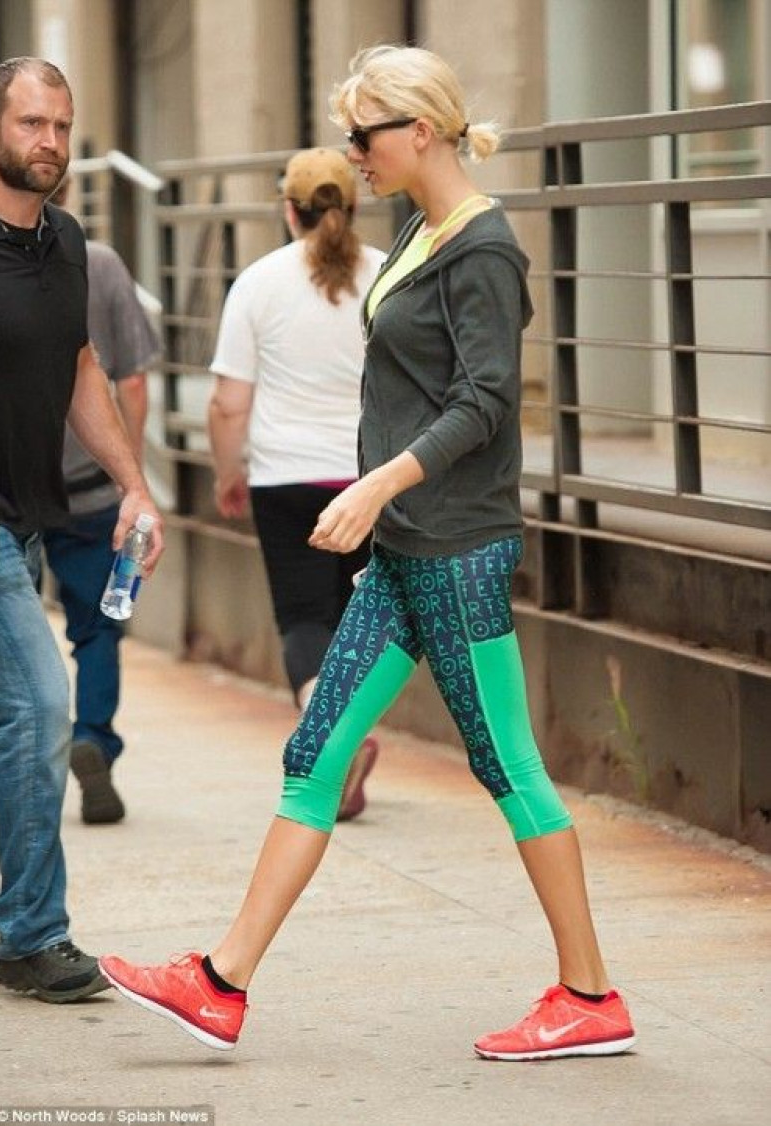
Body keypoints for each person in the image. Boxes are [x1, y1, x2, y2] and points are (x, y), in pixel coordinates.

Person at [99, 45, 635, 1062]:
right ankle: (220, 983)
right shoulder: (421, 229)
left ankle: (590, 996)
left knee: (508, 764)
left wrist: (378, 484)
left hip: (457, 549)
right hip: (401, 553)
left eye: (364, 134)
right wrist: (380, 505)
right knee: (315, 754)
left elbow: (485, 401)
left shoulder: (484, 248)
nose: (353, 154)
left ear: (420, 130)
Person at [0, 56, 163, 1003]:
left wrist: (135, 485)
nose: (49, 142)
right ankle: (31, 934)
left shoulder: (65, 243)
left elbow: (80, 369)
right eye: (30, 123)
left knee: (14, 724)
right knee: (39, 707)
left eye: (60, 125)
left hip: (26, 521)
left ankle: (19, 926)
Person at [208, 147, 385, 821]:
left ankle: (329, 732)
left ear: (289, 211)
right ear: (354, 206)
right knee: (357, 618)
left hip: (285, 478)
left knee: (305, 619)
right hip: (369, 478)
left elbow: (229, 403)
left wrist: (229, 471)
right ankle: (350, 734)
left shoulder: (258, 282)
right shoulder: (386, 275)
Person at [43, 176, 160, 826]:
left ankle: (23, 762)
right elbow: (132, 382)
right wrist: (131, 476)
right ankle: (91, 737)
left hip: (11, 491)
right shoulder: (102, 262)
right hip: (91, 488)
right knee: (97, 628)